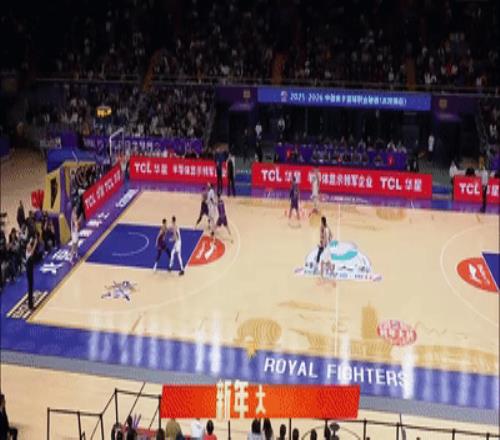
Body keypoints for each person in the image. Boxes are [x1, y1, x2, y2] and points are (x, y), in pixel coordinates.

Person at [26, 234, 37, 310]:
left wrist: (33, 240)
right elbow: (32, 251)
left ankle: (30, 300)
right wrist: (35, 243)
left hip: (30, 269)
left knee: (31, 285)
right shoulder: (28, 250)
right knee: (30, 286)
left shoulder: (28, 245)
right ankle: (30, 305)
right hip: (29, 269)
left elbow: (30, 242)